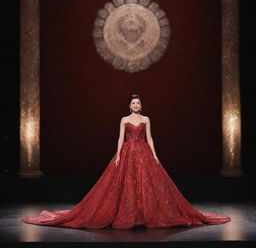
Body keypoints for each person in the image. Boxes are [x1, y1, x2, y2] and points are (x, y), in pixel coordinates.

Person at [22, 94, 231, 229]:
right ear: (129, 105)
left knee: (148, 184)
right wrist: (119, 155)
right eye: (133, 103)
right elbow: (120, 138)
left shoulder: (146, 119)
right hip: (128, 152)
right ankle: (128, 214)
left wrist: (155, 154)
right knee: (125, 184)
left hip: (143, 153)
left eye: (138, 103)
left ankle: (143, 215)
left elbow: (150, 138)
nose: (136, 105)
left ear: (141, 105)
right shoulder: (124, 119)